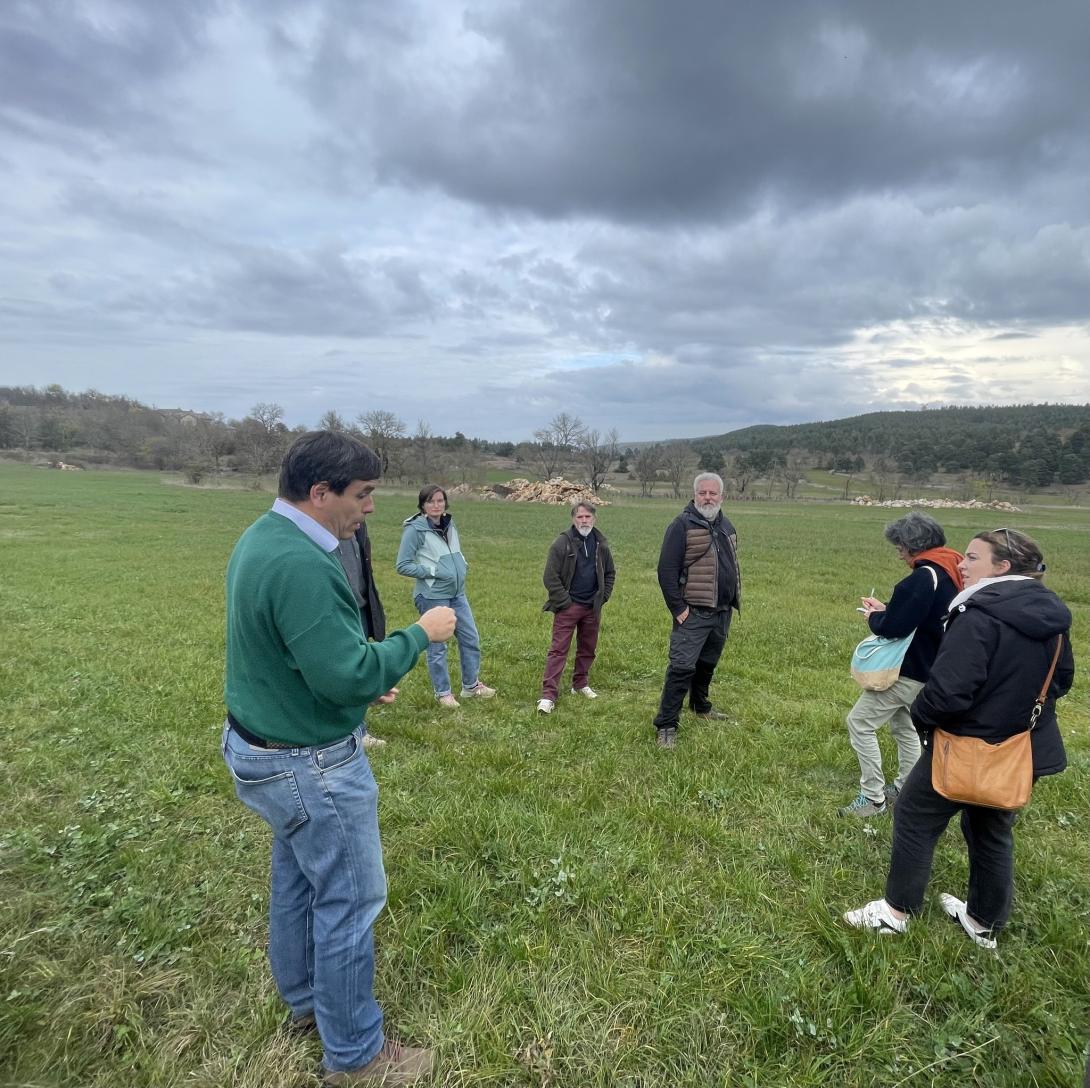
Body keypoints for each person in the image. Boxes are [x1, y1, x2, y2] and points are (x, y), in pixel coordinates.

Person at [222, 431, 456, 1086]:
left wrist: (351, 674)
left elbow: (300, 655)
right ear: (319, 493)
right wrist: (416, 637)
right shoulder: (300, 562)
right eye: (363, 494)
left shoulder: (262, 538)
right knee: (351, 899)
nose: (371, 508)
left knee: (298, 878)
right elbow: (345, 671)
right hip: (309, 766)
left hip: (263, 747)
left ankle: (304, 1003)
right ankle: (355, 1057)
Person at [845, 528, 1074, 949]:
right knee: (991, 828)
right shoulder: (1051, 614)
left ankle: (896, 912)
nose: (962, 565)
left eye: (972, 558)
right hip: (1020, 749)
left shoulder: (980, 613)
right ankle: (983, 922)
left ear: (1002, 567)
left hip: (965, 744)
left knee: (914, 815)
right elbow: (1061, 679)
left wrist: (923, 718)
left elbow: (949, 691)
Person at [840, 513, 964, 817]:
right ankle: (906, 787)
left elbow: (894, 627)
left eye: (899, 545)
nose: (898, 552)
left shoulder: (923, 576)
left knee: (859, 723)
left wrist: (875, 617)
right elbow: (921, 615)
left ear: (912, 545)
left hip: (907, 671)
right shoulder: (950, 570)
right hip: (932, 669)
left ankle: (872, 798)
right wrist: (889, 608)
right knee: (905, 726)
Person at [652, 472, 741, 749]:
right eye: (703, 493)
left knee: (706, 664)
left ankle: (700, 706)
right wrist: (678, 608)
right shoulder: (681, 525)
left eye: (713, 493)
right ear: (694, 495)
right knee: (681, 667)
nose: (708, 498)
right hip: (694, 613)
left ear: (722, 496)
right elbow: (666, 570)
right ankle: (666, 724)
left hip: (722, 611)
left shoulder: (727, 525)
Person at [395, 484, 496, 708]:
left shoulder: (450, 524)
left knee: (471, 639)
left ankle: (471, 686)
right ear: (422, 505)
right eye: (430, 501)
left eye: (440, 501)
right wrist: (433, 572)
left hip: (457, 593)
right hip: (432, 595)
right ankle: (443, 693)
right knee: (437, 646)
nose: (436, 505)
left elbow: (454, 552)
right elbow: (402, 565)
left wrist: (462, 564)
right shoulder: (415, 530)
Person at [537, 501, 617, 714]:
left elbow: (610, 573)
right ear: (573, 519)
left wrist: (603, 597)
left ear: (594, 519)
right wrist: (565, 602)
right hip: (568, 606)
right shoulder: (561, 543)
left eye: (588, 517)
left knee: (588, 648)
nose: (584, 521)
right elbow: (550, 577)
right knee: (558, 650)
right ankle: (548, 695)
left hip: (592, 606)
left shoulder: (601, 544)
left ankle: (580, 684)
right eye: (580, 517)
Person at [336, 518, 392, 749]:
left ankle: (357, 729)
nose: (368, 506)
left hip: (358, 603)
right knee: (344, 667)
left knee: (356, 667)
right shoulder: (324, 525)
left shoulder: (356, 522)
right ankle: (347, 732)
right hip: (340, 604)